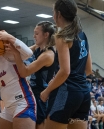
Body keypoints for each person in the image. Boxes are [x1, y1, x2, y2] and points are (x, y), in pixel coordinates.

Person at [40, 0, 92, 129]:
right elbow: (88, 69)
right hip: (84, 93)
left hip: (66, 93)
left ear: (58, 14)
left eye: (53, 13)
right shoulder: (82, 35)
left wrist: (47, 91)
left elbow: (65, 71)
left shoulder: (62, 36)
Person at [4, 21, 56, 129]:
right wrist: (8, 41)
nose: (33, 36)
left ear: (46, 35)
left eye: (36, 33)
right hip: (32, 92)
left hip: (41, 94)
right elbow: (23, 50)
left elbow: (24, 72)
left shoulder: (48, 55)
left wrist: (15, 52)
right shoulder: (37, 47)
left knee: (39, 124)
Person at [0, 30, 36, 129]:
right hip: (8, 107)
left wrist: (9, 37)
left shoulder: (6, 55)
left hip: (23, 102)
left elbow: (29, 53)